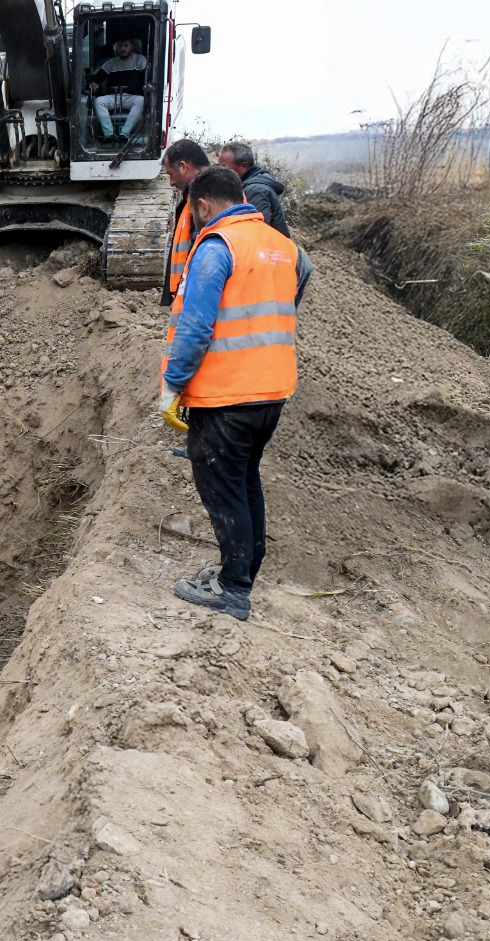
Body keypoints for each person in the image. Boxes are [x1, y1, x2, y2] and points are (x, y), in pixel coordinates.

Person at [158, 166, 313, 621]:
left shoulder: (217, 246)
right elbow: (293, 290)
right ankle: (242, 570)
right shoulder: (285, 248)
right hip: (272, 391)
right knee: (245, 482)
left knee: (223, 489)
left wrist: (172, 386)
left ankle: (232, 590)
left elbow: (195, 327)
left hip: (226, 395)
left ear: (202, 205)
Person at [162, 138, 210, 306]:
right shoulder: (208, 190)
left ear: (183, 166)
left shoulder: (204, 195)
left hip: (194, 295)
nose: (171, 182)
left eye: (171, 174)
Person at [218, 141, 291, 237]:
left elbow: (257, 234)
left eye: (225, 167)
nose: (220, 172)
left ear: (244, 166)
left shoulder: (255, 190)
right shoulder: (254, 183)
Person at [89, 37, 148, 142]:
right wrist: (93, 83)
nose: (123, 49)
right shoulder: (111, 63)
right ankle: (109, 134)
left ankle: (124, 134)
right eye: (120, 46)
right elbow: (97, 78)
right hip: (114, 97)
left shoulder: (140, 60)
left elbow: (148, 79)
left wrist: (146, 86)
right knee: (99, 101)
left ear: (132, 47)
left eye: (126, 45)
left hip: (132, 97)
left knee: (141, 101)